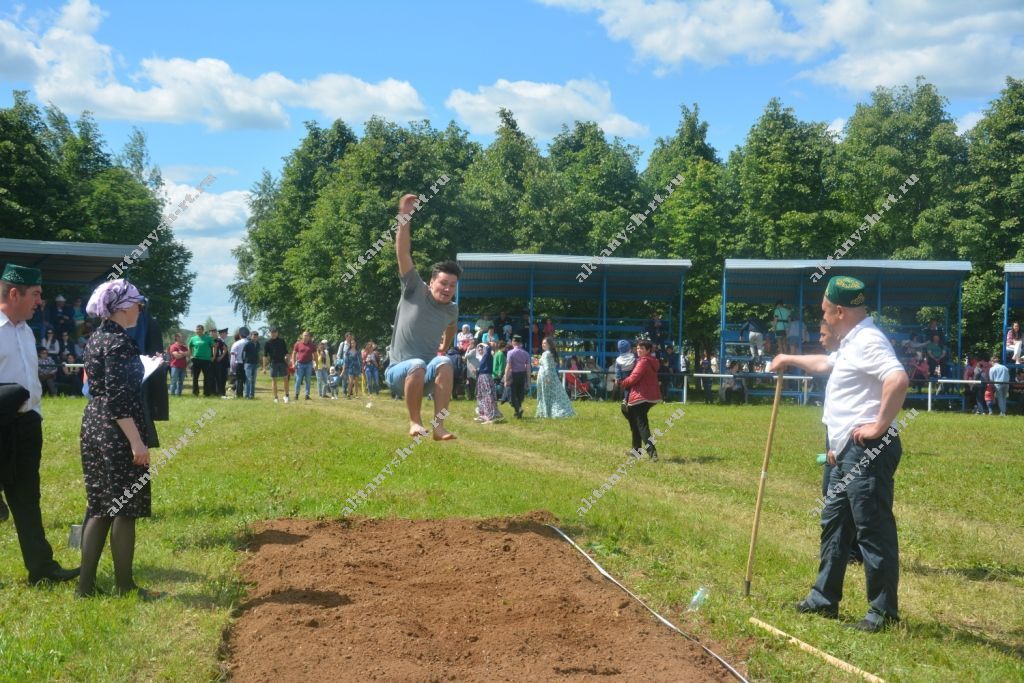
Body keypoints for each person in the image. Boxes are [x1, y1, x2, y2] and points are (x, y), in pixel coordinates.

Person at [772, 276, 909, 632]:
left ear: (839, 311)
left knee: (872, 531)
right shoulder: (852, 341)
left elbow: (898, 378)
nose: (823, 317)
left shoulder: (868, 340)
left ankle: (882, 613)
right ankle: (823, 600)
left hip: (866, 451)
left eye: (824, 312)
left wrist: (878, 427)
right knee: (835, 526)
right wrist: (788, 357)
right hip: (844, 452)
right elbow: (825, 364)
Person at [77, 279, 161, 599]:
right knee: (125, 509)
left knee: (100, 506)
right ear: (123, 307)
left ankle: (84, 588)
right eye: (137, 303)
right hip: (115, 430)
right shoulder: (120, 343)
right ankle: (125, 587)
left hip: (94, 425)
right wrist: (136, 442)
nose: (140, 308)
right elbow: (119, 400)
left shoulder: (97, 338)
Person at [0, 264, 79, 585]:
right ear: (14, 294)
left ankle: (42, 568)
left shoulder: (25, 332)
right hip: (0, 425)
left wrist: (34, 412)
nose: (40, 301)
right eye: (36, 294)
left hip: (28, 425)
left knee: (27, 497)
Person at [384, 193, 459, 439]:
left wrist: (444, 346)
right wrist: (405, 216)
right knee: (415, 364)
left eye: (452, 285)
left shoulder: (451, 308)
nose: (448, 289)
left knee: (446, 362)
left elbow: (452, 326)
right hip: (398, 372)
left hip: (425, 371)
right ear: (431, 282)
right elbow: (403, 253)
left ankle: (438, 426)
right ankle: (415, 423)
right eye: (444, 283)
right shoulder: (414, 288)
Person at [620, 339, 661, 461]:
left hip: (640, 397)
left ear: (648, 350)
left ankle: (652, 453)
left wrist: (622, 383)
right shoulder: (650, 361)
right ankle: (636, 451)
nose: (638, 350)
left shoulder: (643, 362)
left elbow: (633, 378)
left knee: (642, 425)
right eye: (637, 348)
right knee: (635, 423)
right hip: (648, 397)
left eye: (641, 348)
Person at [535, 338, 575, 419]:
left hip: (547, 376)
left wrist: (547, 376)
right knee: (554, 394)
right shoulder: (551, 353)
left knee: (546, 395)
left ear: (549, 344)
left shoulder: (546, 354)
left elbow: (546, 367)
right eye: (542, 343)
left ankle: (547, 413)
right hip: (552, 376)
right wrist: (538, 364)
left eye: (545, 343)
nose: (543, 344)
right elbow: (548, 365)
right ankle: (552, 412)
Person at [504, 335, 531, 420]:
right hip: (522, 375)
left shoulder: (510, 353)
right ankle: (517, 412)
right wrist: (528, 379)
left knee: (512, 394)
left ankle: (518, 409)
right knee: (520, 394)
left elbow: (508, 367)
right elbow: (528, 367)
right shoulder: (526, 353)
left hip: (513, 375)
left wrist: (505, 379)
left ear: (514, 342)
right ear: (520, 343)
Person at [475, 342, 503, 424]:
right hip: (481, 377)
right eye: (479, 350)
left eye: (481, 349)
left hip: (485, 377)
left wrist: (485, 344)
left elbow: (488, 349)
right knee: (480, 396)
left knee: (487, 396)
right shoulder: (483, 357)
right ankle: (483, 414)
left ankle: (490, 416)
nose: (480, 351)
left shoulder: (487, 355)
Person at [187, 324, 214, 396]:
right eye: (197, 329)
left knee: (207, 377)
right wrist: (190, 356)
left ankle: (207, 393)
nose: (197, 331)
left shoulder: (208, 338)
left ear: (203, 330)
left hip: (206, 360)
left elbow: (214, 346)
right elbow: (189, 346)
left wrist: (213, 356)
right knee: (195, 377)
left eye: (199, 329)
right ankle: (195, 392)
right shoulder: (193, 338)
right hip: (196, 359)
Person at [264, 327, 288, 403]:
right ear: (270, 333)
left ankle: (286, 396)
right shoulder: (267, 343)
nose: (273, 333)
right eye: (272, 332)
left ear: (277, 333)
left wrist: (288, 361)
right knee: (274, 380)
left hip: (282, 362)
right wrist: (264, 368)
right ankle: (276, 397)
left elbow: (286, 352)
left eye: (275, 332)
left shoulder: (282, 341)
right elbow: (265, 356)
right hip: (273, 363)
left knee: (285, 379)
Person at [291, 331, 316, 401]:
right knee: (298, 380)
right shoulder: (298, 344)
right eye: (304, 335)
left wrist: (315, 364)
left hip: (309, 364)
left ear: (309, 337)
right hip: (300, 364)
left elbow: (315, 355)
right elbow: (293, 354)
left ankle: (307, 395)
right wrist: (293, 363)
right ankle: (296, 395)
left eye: (307, 335)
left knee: (308, 380)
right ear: (302, 336)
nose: (306, 337)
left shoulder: (312, 345)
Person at [229, 328, 249, 399]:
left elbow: (233, 355)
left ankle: (239, 395)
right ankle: (248, 394)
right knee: (247, 379)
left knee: (239, 379)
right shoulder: (250, 343)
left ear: (240, 335)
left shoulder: (236, 343)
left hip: (239, 363)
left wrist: (232, 367)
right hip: (248, 363)